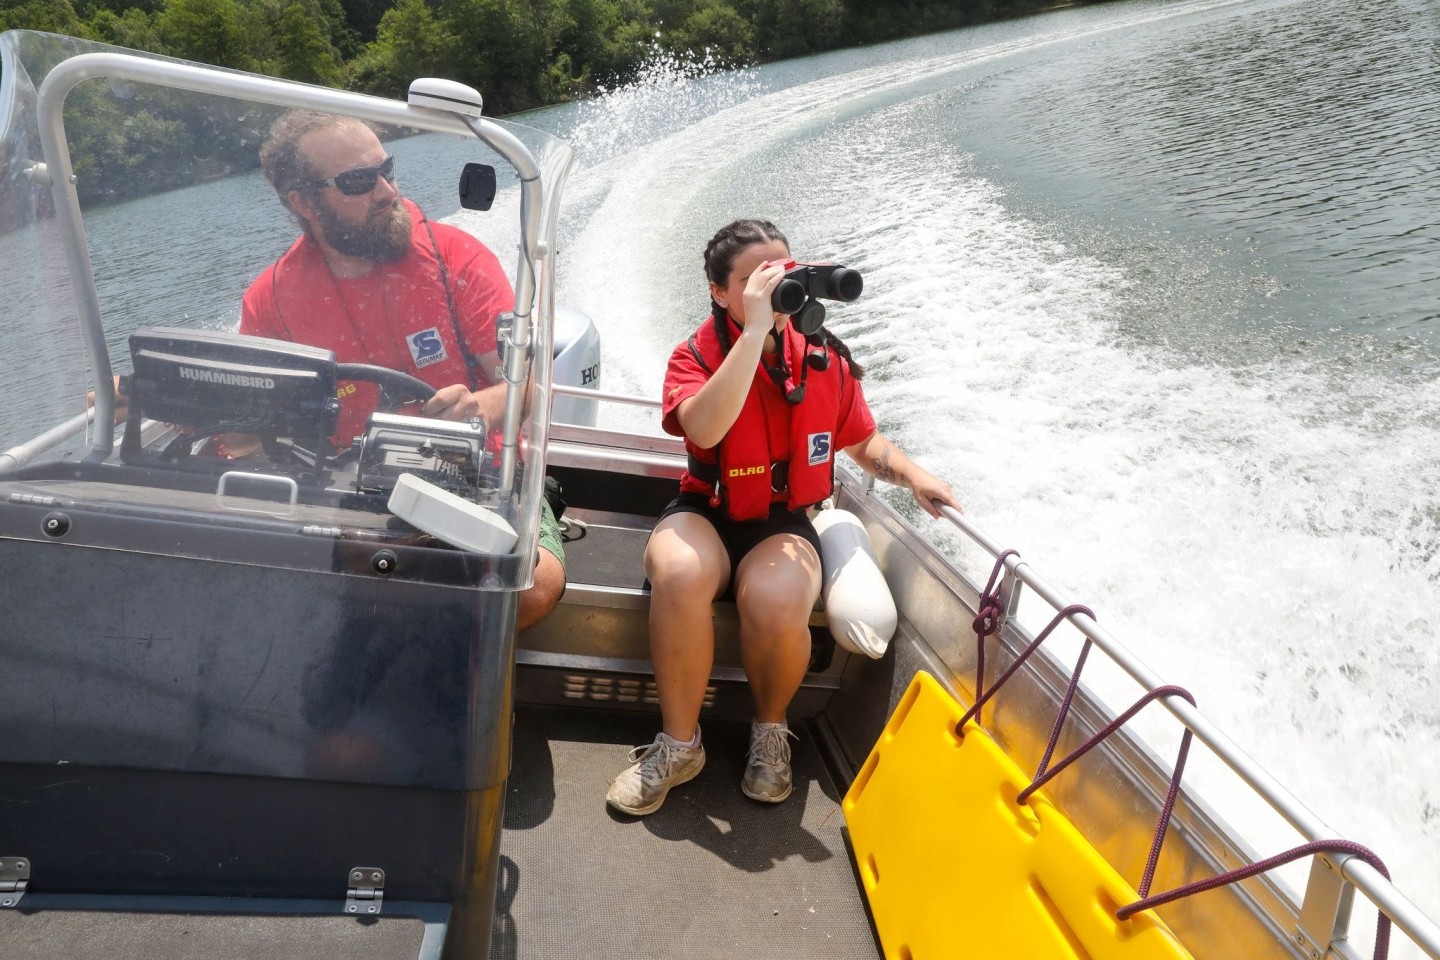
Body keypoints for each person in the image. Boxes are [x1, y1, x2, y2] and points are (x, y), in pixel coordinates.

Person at [605, 219, 962, 816]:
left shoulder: (824, 360)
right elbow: (705, 427)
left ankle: (769, 735)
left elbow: (863, 443)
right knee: (679, 572)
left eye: (784, 274)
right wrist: (753, 337)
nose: (773, 289)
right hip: (707, 508)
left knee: (776, 597)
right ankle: (680, 745)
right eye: (755, 280)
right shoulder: (694, 356)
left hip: (780, 517)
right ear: (722, 292)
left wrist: (913, 475)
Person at [241, 109, 563, 630]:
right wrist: (142, 396)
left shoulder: (456, 257)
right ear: (304, 202)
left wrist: (479, 408)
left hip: (483, 477)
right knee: (314, 584)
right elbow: (249, 414)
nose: (388, 191)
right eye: (359, 182)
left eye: (387, 170)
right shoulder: (270, 299)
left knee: (529, 588)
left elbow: (530, 390)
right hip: (350, 492)